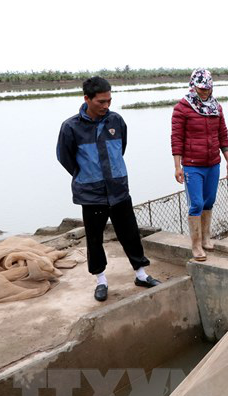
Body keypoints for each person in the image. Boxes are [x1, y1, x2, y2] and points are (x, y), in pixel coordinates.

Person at [57, 76, 160, 302]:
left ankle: (140, 274)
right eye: (101, 102)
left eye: (109, 101)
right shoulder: (71, 127)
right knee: (94, 238)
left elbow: (120, 149)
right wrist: (87, 174)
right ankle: (101, 280)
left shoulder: (116, 121)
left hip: (118, 189)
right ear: (86, 99)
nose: (106, 106)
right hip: (91, 194)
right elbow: (65, 159)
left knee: (130, 233)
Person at [171, 68, 228, 261]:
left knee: (209, 201)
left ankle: (206, 238)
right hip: (192, 165)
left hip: (213, 163)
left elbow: (222, 135)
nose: (204, 92)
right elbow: (176, 139)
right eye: (200, 88)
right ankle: (196, 245)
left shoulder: (216, 107)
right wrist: (177, 166)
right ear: (193, 86)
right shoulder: (182, 108)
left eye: (207, 88)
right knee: (196, 203)